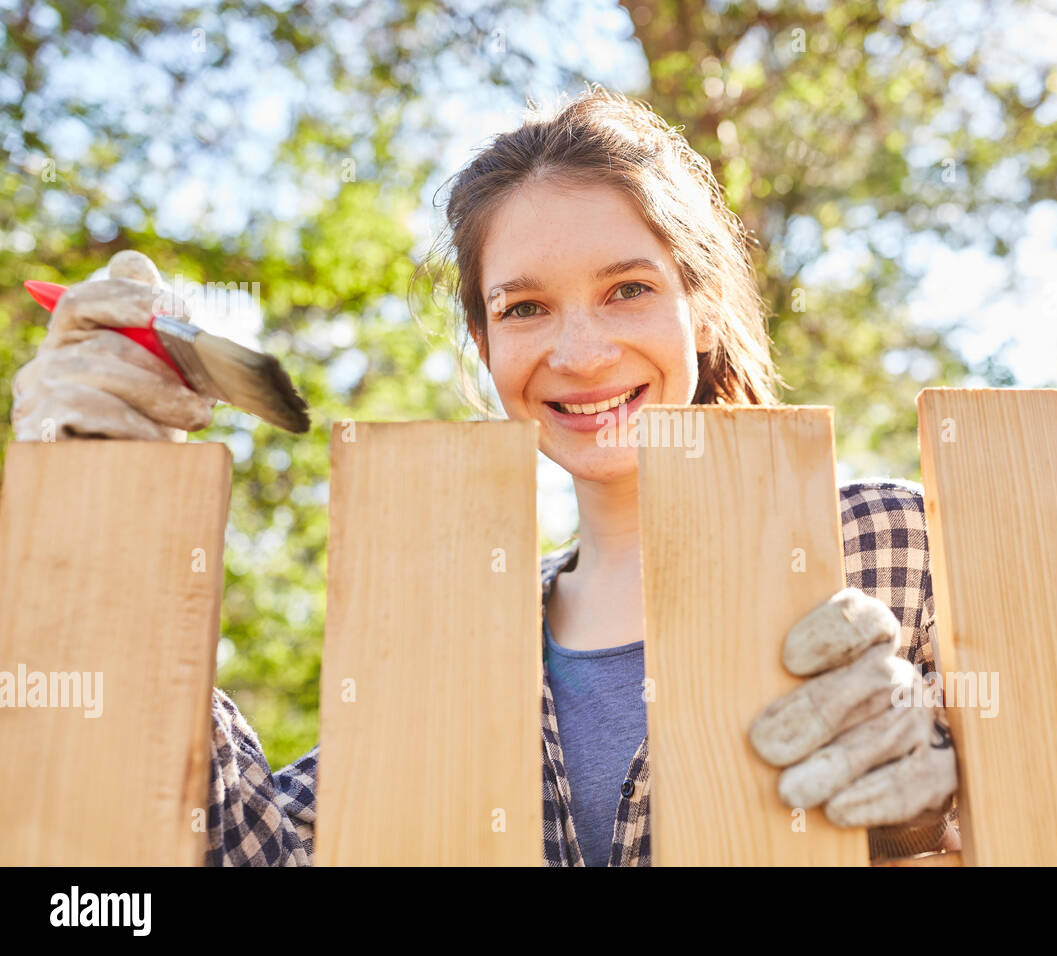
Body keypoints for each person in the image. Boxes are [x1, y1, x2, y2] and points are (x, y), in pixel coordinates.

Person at [9, 85, 959, 866]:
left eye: (628, 289)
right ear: (485, 342)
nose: (581, 353)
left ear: (699, 310)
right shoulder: (444, 642)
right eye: (526, 307)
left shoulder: (887, 543)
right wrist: (98, 528)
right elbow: (240, 857)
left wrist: (936, 818)